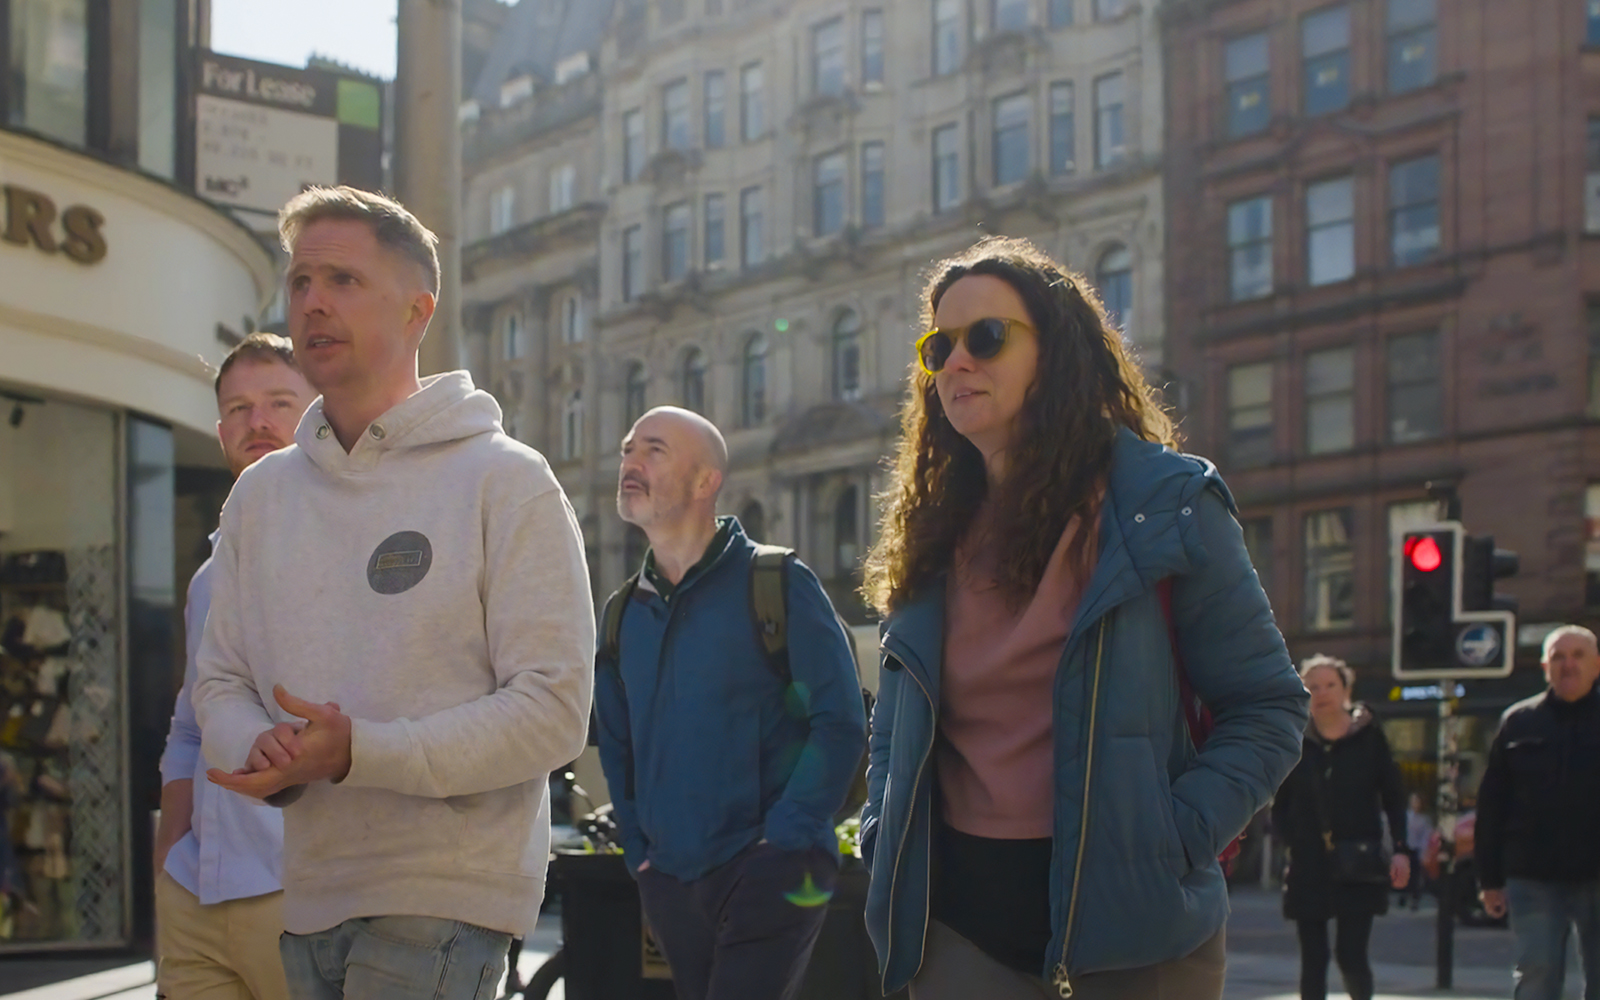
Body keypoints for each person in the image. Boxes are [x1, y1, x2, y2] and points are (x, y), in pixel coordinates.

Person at [857, 236, 1309, 1000]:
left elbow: (1268, 708)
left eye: (986, 337)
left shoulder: (1165, 505)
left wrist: (1169, 841)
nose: (955, 362)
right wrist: (883, 835)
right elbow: (896, 723)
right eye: (938, 347)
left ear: (1057, 351)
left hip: (1135, 943)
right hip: (956, 934)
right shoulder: (930, 530)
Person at [193, 186, 594, 1000]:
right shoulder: (261, 496)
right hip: (308, 893)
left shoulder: (505, 479)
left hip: (446, 896)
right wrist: (261, 748)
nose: (312, 302)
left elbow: (555, 709)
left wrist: (359, 752)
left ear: (418, 311)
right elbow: (220, 680)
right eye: (300, 281)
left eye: (342, 280)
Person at [592, 406, 866, 1000]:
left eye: (654, 450)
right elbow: (616, 743)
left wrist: (788, 834)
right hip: (670, 881)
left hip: (771, 869)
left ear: (705, 482)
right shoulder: (621, 615)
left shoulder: (778, 581)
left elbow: (841, 722)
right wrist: (641, 852)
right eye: (628, 448)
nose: (631, 462)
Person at [153, 333, 316, 1000]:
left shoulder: (352, 552)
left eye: (279, 402)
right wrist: (169, 857)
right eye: (239, 408)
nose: (259, 422)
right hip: (196, 893)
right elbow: (188, 728)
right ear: (220, 431)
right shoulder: (208, 575)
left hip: (301, 894)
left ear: (318, 411)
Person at [1272, 656, 1411, 1000]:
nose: (1322, 693)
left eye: (1330, 685)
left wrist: (1400, 849)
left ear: (1346, 690)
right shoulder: (1293, 740)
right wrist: (1289, 843)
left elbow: (1393, 796)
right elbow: (1280, 802)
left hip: (1358, 860)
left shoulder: (1369, 736)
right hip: (1308, 863)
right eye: (1312, 687)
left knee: (1351, 955)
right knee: (1313, 960)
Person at [1475, 624, 1600, 1000]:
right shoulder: (1518, 721)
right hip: (1534, 874)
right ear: (1545, 667)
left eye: (1578, 655)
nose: (1568, 665)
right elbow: (1492, 802)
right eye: (1558, 657)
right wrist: (1489, 879)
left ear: (1596, 664)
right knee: (1537, 972)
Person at [1400, 792, 1433, 911]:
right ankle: (1403, 896)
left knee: (1415, 876)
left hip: (1416, 849)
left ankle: (1414, 899)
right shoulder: (1406, 816)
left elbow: (1426, 836)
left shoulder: (1424, 819)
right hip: (1405, 848)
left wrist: (1424, 851)